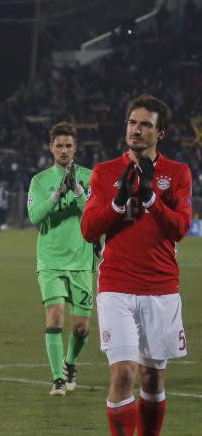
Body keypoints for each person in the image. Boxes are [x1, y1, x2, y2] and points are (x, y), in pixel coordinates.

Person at [81, 95, 192, 435]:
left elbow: (180, 228)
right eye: (133, 122)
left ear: (162, 132)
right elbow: (88, 231)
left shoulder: (177, 173)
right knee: (124, 373)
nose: (137, 130)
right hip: (116, 286)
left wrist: (150, 199)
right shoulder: (104, 172)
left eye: (146, 124)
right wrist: (116, 204)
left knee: (153, 377)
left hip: (161, 288)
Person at [27, 121, 95, 396]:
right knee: (54, 317)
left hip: (80, 260)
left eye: (68, 146)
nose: (64, 150)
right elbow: (35, 216)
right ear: (51, 147)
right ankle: (57, 379)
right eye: (59, 145)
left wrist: (78, 190)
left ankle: (69, 364)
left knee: (80, 328)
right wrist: (57, 194)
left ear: (75, 148)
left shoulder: (91, 177)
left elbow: (94, 214)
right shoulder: (40, 181)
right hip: (50, 260)